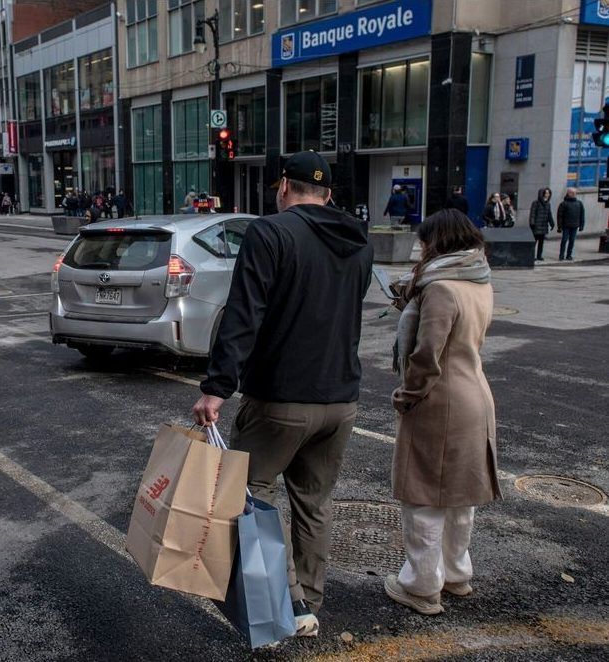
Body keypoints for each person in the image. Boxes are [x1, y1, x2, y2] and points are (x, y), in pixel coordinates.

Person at [191, 151, 374, 638]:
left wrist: (217, 387)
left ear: (283, 188)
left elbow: (243, 314)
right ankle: (308, 602)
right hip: (341, 398)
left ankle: (284, 601)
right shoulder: (359, 243)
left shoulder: (269, 233)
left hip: (281, 398)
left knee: (253, 493)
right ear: (329, 195)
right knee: (314, 501)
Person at [385, 208, 498, 616]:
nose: (421, 247)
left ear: (439, 241)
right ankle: (456, 574)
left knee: (424, 496)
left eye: (425, 240)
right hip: (475, 395)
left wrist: (408, 394)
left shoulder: (440, 289)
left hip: (441, 400)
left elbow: (427, 353)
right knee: (458, 497)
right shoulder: (479, 280)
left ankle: (422, 585)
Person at [556, 187, 585, 261]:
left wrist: (582, 225)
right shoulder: (563, 204)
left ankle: (569, 255)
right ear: (568, 193)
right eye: (573, 193)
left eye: (575, 193)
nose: (574, 194)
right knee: (564, 240)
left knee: (572, 241)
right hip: (566, 226)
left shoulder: (579, 203)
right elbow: (559, 216)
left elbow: (582, 215)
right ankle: (561, 255)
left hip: (575, 226)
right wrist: (559, 227)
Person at [528, 187, 554, 261]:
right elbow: (532, 214)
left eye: (548, 193)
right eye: (546, 193)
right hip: (536, 225)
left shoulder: (548, 204)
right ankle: (532, 256)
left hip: (543, 226)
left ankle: (539, 255)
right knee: (534, 242)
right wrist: (532, 223)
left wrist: (552, 223)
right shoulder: (536, 203)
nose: (547, 195)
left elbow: (549, 214)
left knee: (541, 242)